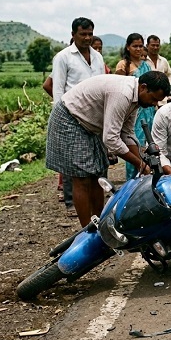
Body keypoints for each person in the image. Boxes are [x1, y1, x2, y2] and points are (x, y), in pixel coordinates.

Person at [45, 71, 170, 227]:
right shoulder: (122, 94)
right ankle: (87, 232)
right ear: (144, 87)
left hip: (90, 125)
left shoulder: (136, 98)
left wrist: (143, 160)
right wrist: (139, 164)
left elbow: (127, 133)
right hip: (70, 119)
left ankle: (100, 224)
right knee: (82, 177)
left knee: (99, 173)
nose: (154, 104)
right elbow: (111, 139)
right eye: (153, 99)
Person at [51, 19, 106, 217]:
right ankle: (80, 217)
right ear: (73, 34)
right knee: (77, 174)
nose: (87, 38)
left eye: (90, 34)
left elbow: (102, 87)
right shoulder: (63, 57)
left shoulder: (97, 57)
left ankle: (99, 217)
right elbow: (58, 90)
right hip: (72, 119)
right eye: (83, 34)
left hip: (95, 120)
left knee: (97, 172)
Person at [115, 33, 155, 179]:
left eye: (140, 46)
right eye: (135, 46)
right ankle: (132, 179)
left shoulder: (147, 65)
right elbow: (118, 88)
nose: (138, 49)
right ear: (128, 47)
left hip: (148, 110)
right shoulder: (123, 65)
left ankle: (146, 177)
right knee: (133, 143)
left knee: (147, 144)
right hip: (133, 111)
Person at [144, 35, 171, 106]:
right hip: (147, 99)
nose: (155, 48)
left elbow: (170, 73)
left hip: (162, 100)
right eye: (153, 45)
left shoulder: (163, 60)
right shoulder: (143, 61)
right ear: (147, 45)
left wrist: (167, 86)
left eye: (157, 45)